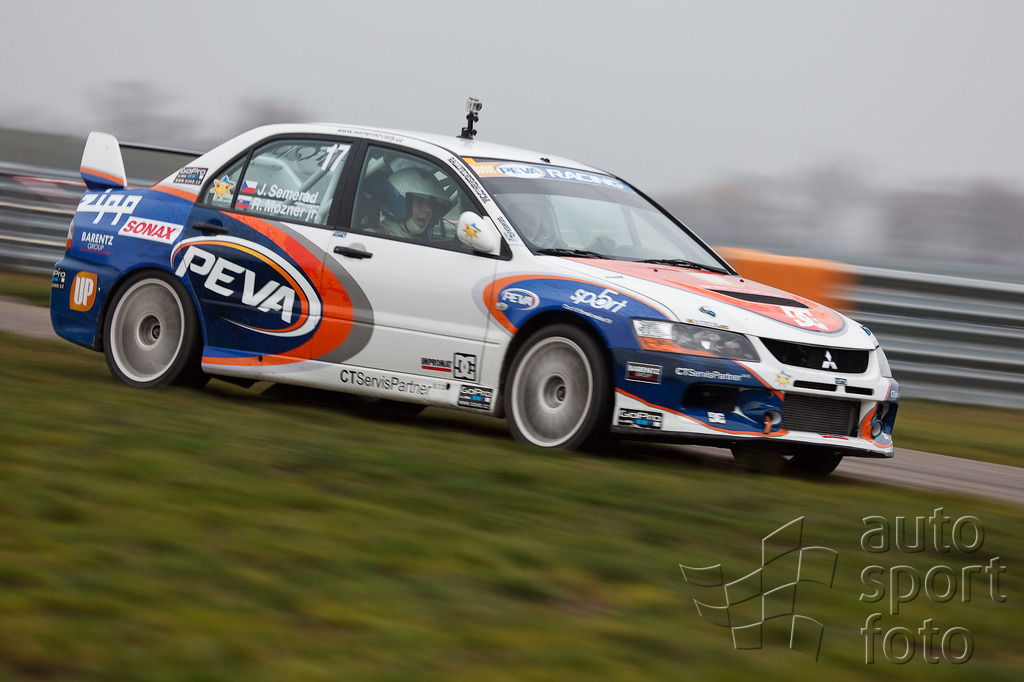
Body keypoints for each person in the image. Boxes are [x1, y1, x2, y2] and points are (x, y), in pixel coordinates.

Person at [374, 167, 453, 239]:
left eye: (431, 203)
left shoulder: (415, 240)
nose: (428, 210)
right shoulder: (375, 239)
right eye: (419, 201)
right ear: (397, 202)